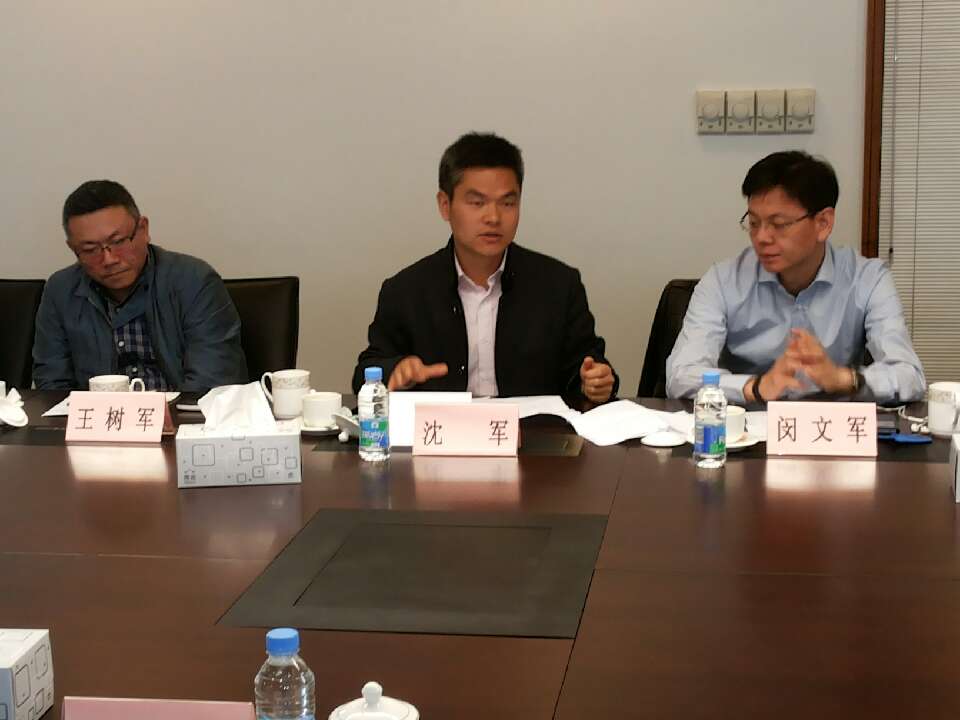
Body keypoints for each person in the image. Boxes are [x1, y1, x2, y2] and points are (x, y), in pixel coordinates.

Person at [352, 132, 617, 404]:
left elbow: (587, 365)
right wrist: (395, 369)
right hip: (442, 429)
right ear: (445, 205)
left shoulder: (559, 285)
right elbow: (365, 373)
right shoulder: (405, 290)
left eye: (507, 203)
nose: (493, 217)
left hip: (532, 429)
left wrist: (595, 381)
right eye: (477, 203)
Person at [666, 150, 924, 404]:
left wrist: (842, 379)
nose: (761, 237)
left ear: (823, 223)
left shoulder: (868, 280)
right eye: (754, 223)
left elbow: (910, 376)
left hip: (830, 426)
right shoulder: (722, 282)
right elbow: (681, 375)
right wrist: (756, 387)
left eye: (779, 224)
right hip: (749, 426)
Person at [33, 180, 248, 391]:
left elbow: (212, 382)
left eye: (118, 241)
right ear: (73, 248)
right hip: (97, 413)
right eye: (90, 250)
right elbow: (52, 385)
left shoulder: (194, 281)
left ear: (143, 229)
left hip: (180, 411)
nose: (109, 259)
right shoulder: (60, 291)